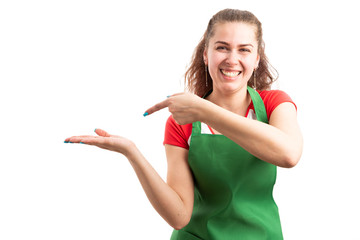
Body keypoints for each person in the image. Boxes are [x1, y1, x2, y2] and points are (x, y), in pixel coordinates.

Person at [65, 9, 303, 240]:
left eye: (244, 50)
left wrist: (206, 111)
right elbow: (179, 216)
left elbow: (289, 154)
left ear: (256, 59)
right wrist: (131, 152)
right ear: (206, 55)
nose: (232, 59)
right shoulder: (183, 122)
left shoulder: (274, 104)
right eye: (222, 47)